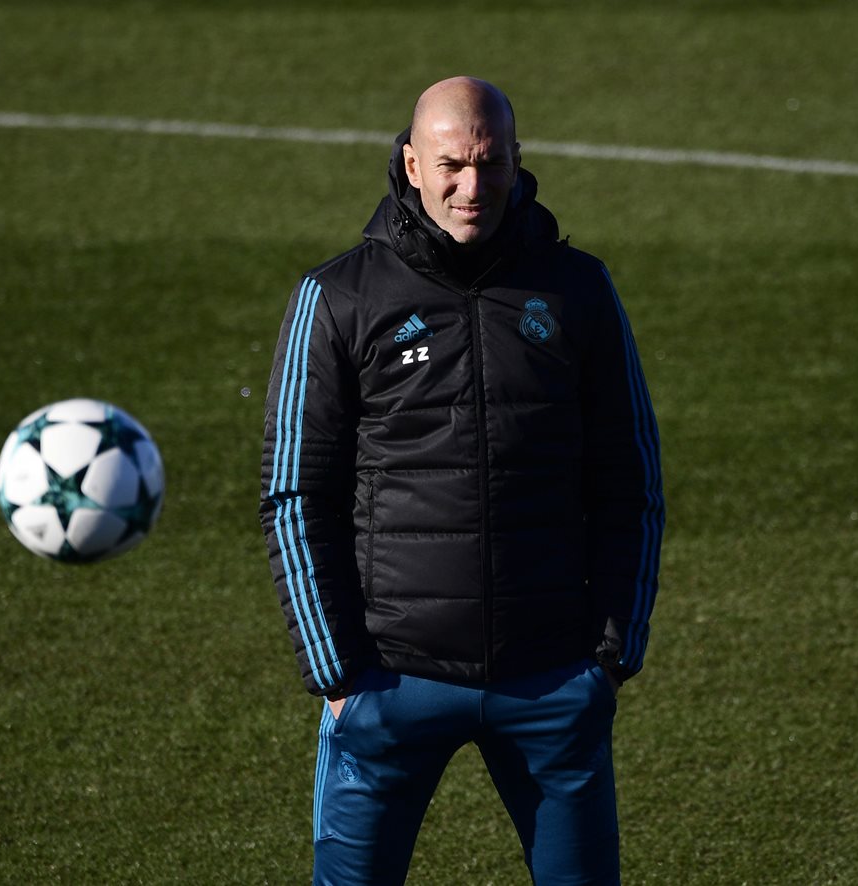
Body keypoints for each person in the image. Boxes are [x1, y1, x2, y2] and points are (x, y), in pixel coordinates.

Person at [260, 76, 664, 885]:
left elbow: (632, 480)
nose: (471, 187)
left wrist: (612, 656)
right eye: (451, 164)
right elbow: (297, 495)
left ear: (518, 163)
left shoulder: (578, 289)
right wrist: (339, 676)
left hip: (551, 680)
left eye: (491, 164)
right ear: (411, 164)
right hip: (389, 680)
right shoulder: (336, 297)